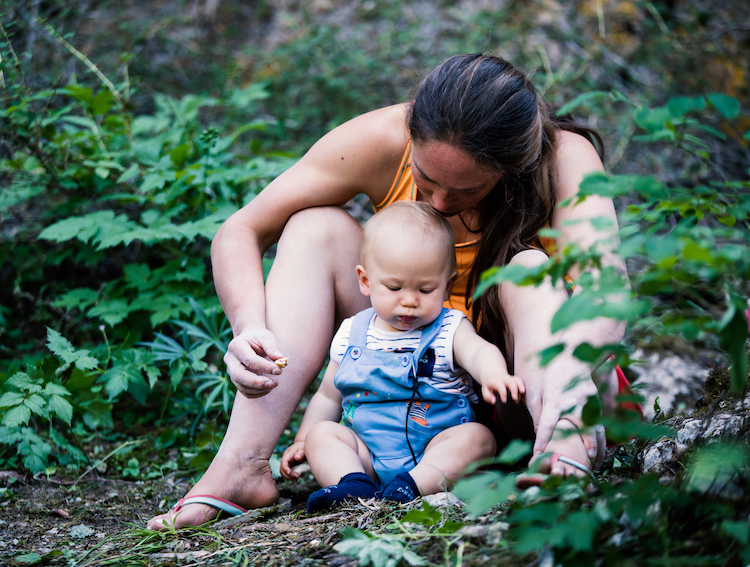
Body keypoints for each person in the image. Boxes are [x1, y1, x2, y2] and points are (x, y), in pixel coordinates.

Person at [147, 53, 627, 530]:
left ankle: (562, 443)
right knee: (315, 228)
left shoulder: (562, 157)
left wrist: (569, 372)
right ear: (411, 132)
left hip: (523, 393)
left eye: (467, 189)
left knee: (529, 267)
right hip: (406, 388)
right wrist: (248, 326)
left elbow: (605, 291)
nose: (439, 204)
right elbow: (241, 231)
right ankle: (242, 463)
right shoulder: (380, 138)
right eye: (427, 178)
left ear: (510, 167)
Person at [279, 202, 525, 512]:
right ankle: (352, 483)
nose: (409, 301)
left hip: (435, 449)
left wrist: (493, 375)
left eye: (425, 289)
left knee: (478, 439)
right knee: (322, 435)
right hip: (368, 451)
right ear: (366, 281)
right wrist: (303, 440)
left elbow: (479, 351)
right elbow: (329, 396)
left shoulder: (449, 328)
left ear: (447, 284)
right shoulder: (351, 333)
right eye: (394, 287)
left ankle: (412, 486)